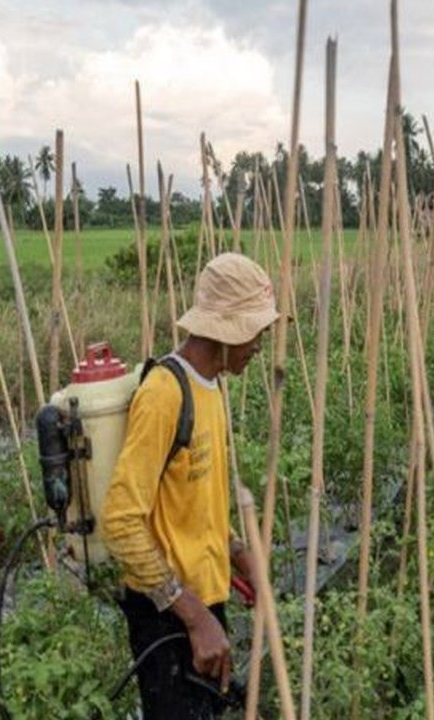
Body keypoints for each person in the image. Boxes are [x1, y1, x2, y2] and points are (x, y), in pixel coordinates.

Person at [102, 252, 279, 720]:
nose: (259, 345)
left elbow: (197, 504)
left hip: (203, 600)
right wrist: (195, 617)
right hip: (166, 616)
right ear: (225, 329)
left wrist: (239, 552)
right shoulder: (164, 394)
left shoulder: (211, 389)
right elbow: (121, 521)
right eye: (255, 332)